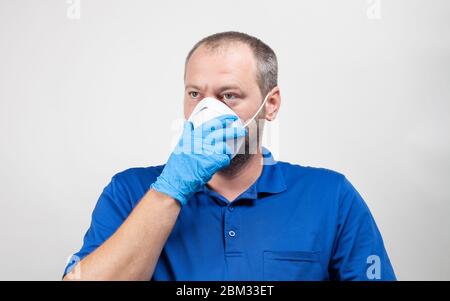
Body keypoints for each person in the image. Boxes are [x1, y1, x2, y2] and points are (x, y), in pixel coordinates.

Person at [63, 31, 396, 281]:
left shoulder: (331, 196)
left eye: (229, 95)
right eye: (195, 94)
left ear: (271, 103)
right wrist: (170, 189)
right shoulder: (129, 190)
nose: (207, 111)